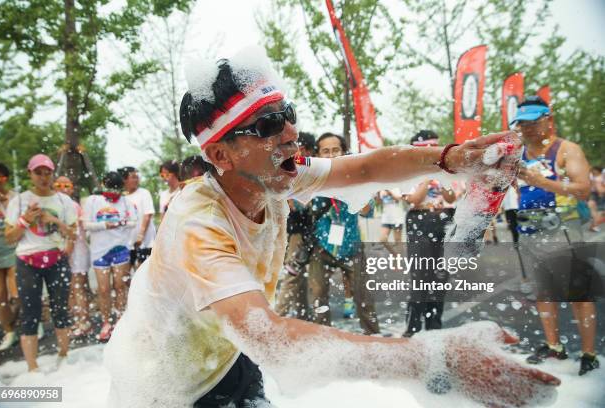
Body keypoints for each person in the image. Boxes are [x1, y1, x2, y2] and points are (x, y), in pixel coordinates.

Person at [104, 51, 559, 407]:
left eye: (287, 114)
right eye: (266, 125)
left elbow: (361, 169)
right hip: (170, 392)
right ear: (221, 157)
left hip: (228, 356)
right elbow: (271, 337)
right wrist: (433, 360)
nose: (288, 134)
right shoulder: (197, 224)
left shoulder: (272, 173)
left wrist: (450, 159)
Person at [512, 96, 599, 376]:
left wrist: (543, 182)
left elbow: (583, 189)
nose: (526, 129)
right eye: (522, 124)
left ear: (548, 120)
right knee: (544, 291)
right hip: (531, 229)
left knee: (578, 294)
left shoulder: (566, 150)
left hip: (565, 229)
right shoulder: (519, 153)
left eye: (532, 123)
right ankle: (554, 347)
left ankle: (589, 354)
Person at [4, 154, 77, 371]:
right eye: (38, 172)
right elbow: (9, 237)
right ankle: (32, 369)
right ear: (30, 174)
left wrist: (54, 221)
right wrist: (26, 219)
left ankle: (64, 358)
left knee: (60, 310)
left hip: (56, 259)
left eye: (48, 172)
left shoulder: (64, 201)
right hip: (27, 261)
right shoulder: (18, 201)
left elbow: (74, 234)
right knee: (30, 312)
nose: (44, 177)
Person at [309, 132, 379, 331]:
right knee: (318, 299)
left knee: (364, 298)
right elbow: (296, 208)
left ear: (343, 152)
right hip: (320, 248)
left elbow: (368, 211)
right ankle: (322, 344)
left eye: (335, 150)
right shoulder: (311, 179)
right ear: (318, 155)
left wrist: (355, 191)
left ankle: (374, 339)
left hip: (351, 246)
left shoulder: (355, 178)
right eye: (325, 151)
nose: (331, 156)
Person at [403, 130, 456, 337]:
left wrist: (441, 178)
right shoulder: (406, 172)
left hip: (443, 220)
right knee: (420, 277)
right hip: (419, 221)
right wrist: (427, 176)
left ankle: (435, 326)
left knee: (440, 277)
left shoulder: (444, 171)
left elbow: (450, 198)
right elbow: (414, 200)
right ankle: (413, 328)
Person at [83, 171, 137, 342]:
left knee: (120, 286)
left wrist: (121, 223)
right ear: (103, 185)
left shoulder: (126, 201)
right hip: (100, 252)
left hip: (120, 248)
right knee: (104, 289)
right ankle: (106, 322)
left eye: (117, 189)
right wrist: (105, 225)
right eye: (110, 188)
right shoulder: (92, 201)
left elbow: (133, 221)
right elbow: (86, 225)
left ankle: (121, 320)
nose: (114, 193)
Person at [275, 131, 317, 320]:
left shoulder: (311, 170)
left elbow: (304, 204)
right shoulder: (292, 170)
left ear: (306, 150)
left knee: (294, 276)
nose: (292, 150)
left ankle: (284, 317)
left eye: (296, 146)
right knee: (293, 275)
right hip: (296, 232)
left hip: (303, 232)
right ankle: (291, 315)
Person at [53, 176, 92, 338]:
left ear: (72, 188)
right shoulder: (54, 205)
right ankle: (76, 319)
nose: (63, 188)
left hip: (77, 252)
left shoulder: (73, 205)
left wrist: (68, 246)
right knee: (69, 289)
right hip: (62, 252)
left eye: (66, 185)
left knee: (78, 287)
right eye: (59, 185)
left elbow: (74, 231)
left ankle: (84, 321)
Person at [0, 162, 19, 351]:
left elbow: (18, 219)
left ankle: (29, 323)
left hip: (12, 247)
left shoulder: (14, 198)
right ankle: (9, 331)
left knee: (17, 293)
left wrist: (2, 199)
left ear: (6, 179)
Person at [118, 166, 156, 269]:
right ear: (124, 179)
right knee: (125, 275)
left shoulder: (144, 193)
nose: (136, 179)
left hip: (145, 242)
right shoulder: (122, 198)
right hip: (128, 243)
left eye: (137, 177)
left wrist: (140, 235)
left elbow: (147, 215)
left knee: (142, 273)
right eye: (133, 177)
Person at [587, 166, 604, 231]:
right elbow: (590, 185)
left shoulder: (603, 176)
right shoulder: (591, 176)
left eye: (595, 170)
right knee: (592, 207)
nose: (593, 171)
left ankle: (594, 225)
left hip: (601, 194)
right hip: (593, 193)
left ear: (598, 170)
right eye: (593, 170)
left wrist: (601, 191)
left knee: (600, 210)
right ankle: (594, 225)